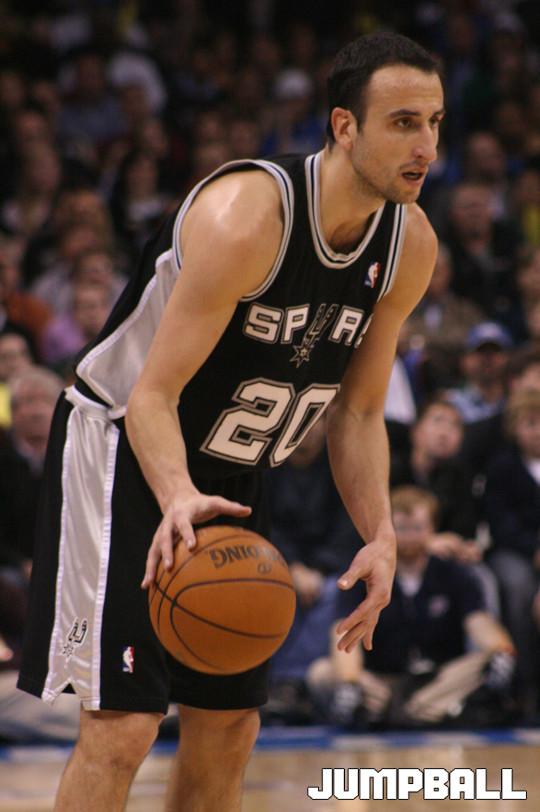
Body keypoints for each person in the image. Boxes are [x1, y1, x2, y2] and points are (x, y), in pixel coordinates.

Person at [18, 32, 443, 812]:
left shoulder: (408, 244)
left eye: (435, 123)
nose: (427, 147)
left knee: (230, 726)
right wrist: (177, 495)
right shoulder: (248, 216)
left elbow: (356, 412)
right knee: (123, 727)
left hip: (236, 466)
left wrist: (381, 532)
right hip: (124, 451)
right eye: (404, 123)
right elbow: (151, 397)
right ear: (344, 126)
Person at [307, 486, 516, 729]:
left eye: (417, 528)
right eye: (401, 528)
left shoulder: (455, 574)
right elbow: (344, 631)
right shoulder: (365, 575)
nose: (409, 537)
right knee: (321, 672)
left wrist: (500, 650)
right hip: (382, 682)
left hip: (438, 679)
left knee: (490, 662)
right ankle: (415, 710)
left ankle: (425, 709)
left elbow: (479, 622)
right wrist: (350, 681)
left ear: (432, 529)